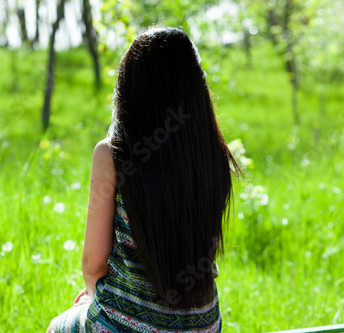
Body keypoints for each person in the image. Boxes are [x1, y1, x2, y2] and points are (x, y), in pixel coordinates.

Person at [47, 26, 240, 333]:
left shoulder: (112, 155)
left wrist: (94, 301)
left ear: (131, 91)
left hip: (126, 325)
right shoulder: (214, 155)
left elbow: (94, 264)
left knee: (58, 327)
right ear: (195, 90)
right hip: (205, 324)